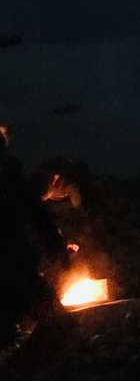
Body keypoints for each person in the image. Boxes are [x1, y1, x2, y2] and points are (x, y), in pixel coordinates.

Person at [0, 124, 69, 347]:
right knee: (57, 322)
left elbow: (39, 218)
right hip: (16, 266)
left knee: (54, 321)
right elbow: (39, 218)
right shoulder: (12, 178)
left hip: (17, 264)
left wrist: (57, 251)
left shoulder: (13, 179)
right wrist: (57, 251)